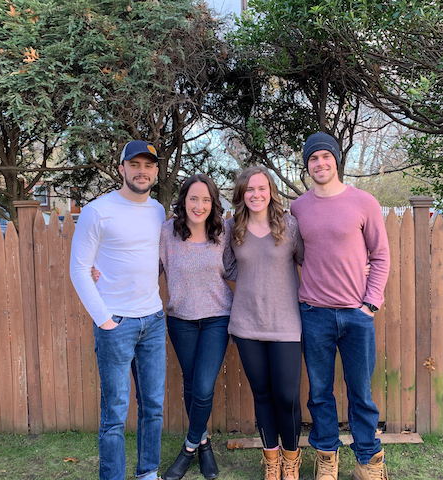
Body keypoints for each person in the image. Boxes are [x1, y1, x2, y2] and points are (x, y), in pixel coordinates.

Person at [291, 132, 390, 480]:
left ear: (336, 160)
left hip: (356, 315)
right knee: (319, 394)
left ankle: (368, 461)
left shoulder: (364, 202)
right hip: (314, 314)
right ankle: (327, 458)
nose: (320, 163)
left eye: (325, 157)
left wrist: (370, 305)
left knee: (361, 393)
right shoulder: (298, 208)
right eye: (313, 158)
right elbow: (297, 256)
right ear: (307, 165)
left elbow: (380, 256)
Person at [70, 140, 167, 480]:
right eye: (135, 164)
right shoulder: (98, 211)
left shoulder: (158, 211)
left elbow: (150, 262)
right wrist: (105, 320)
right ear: (122, 168)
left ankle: (147, 473)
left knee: (153, 407)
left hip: (154, 321)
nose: (143, 171)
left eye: (149, 165)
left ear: (156, 171)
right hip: (118, 323)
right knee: (115, 412)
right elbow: (79, 269)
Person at [227, 166, 305, 480]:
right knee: (262, 395)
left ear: (271, 191)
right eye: (249, 190)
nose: (256, 194)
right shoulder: (232, 228)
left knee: (286, 396)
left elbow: (310, 264)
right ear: (241, 195)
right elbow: (224, 266)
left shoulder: (290, 226)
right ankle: (271, 460)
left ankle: (291, 458)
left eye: (262, 188)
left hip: (286, 324)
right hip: (246, 325)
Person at [159, 174, 236, 480]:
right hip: (180, 320)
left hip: (217, 317)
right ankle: (204, 444)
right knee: (190, 384)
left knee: (203, 387)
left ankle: (188, 448)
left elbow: (238, 267)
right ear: (183, 201)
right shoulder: (168, 232)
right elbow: (150, 268)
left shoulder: (223, 232)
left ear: (213, 203)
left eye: (206, 199)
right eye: (193, 198)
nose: (199, 205)